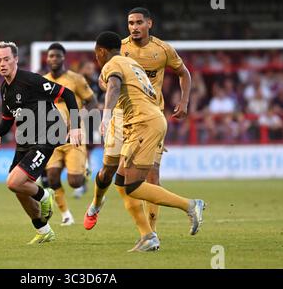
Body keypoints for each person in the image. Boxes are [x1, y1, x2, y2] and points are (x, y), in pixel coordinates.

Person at [87, 31, 205, 251]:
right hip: (146, 120)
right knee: (121, 182)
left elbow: (112, 86)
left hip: (143, 124)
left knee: (133, 185)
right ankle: (148, 237)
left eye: (96, 54)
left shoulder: (112, 64)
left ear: (101, 51)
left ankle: (190, 205)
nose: (97, 59)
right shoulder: (131, 63)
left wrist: (106, 115)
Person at [0, 41, 82, 244]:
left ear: (15, 59)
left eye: (6, 59)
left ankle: (45, 194)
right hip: (26, 139)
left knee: (14, 182)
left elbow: (68, 94)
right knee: (18, 188)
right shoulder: (5, 88)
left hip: (47, 136)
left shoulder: (30, 80)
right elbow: (7, 118)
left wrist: (75, 127)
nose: (2, 63)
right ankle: (44, 230)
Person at [43, 43, 98, 226]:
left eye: (57, 56)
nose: (54, 59)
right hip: (51, 137)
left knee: (75, 182)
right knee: (51, 177)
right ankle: (66, 215)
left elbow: (92, 101)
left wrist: (80, 116)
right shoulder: (42, 81)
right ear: (47, 58)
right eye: (51, 56)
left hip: (74, 135)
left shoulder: (76, 79)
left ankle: (85, 170)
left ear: (63, 58)